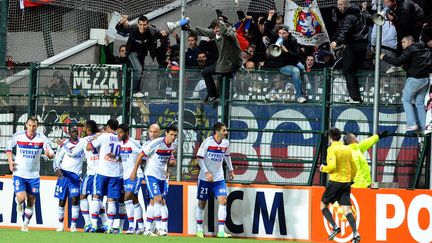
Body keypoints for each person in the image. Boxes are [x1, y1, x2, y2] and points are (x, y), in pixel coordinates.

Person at [6, 117, 55, 232]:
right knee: (21, 198)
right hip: (19, 173)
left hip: (33, 175)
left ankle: (25, 224)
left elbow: (49, 150)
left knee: (31, 201)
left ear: (37, 126)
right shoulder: (18, 136)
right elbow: (8, 147)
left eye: (34, 126)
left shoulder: (42, 138)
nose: (32, 128)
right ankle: (19, 203)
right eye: (30, 125)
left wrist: (49, 154)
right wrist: (10, 161)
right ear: (26, 125)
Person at [130, 124, 178, 236]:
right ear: (166, 133)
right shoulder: (155, 143)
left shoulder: (173, 146)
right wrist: (134, 171)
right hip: (151, 175)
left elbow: (167, 158)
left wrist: (166, 170)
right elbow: (140, 156)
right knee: (157, 198)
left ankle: (148, 229)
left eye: (175, 135)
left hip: (162, 176)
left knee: (156, 200)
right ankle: (160, 228)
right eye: (171, 134)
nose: (173, 137)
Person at [381, 35, 432, 132]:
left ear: (410, 42)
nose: (402, 44)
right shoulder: (426, 50)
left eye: (403, 42)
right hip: (425, 80)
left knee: (406, 100)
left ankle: (412, 124)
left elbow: (397, 61)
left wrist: (384, 57)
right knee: (419, 103)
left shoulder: (410, 49)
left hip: (414, 79)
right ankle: (424, 126)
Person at [64, 120, 108, 232]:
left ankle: (89, 224)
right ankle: (105, 223)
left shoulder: (84, 141)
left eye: (84, 127)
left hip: (91, 173)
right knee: (96, 197)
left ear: (88, 129)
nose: (82, 129)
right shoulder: (102, 137)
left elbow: (72, 153)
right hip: (103, 172)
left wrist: (62, 145)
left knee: (83, 196)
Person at [320, 127, 359, 243]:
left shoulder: (332, 149)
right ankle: (355, 233)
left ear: (330, 137)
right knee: (347, 210)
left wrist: (323, 168)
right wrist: (351, 178)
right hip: (346, 183)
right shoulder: (346, 149)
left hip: (335, 181)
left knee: (323, 205)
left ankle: (335, 226)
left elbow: (332, 166)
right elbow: (355, 167)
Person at [188, 18, 243, 102]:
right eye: (215, 28)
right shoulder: (214, 34)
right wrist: (189, 29)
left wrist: (222, 25)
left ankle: (223, 97)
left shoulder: (230, 33)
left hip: (232, 63)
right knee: (206, 72)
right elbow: (202, 31)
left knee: (223, 79)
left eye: (218, 27)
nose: (216, 29)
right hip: (223, 63)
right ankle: (213, 95)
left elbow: (227, 33)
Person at [195, 122, 234, 238]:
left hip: (219, 178)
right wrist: (206, 172)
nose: (226, 132)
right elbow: (199, 158)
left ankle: (221, 231)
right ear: (217, 132)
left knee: (224, 201)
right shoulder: (208, 142)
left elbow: (227, 156)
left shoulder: (226, 143)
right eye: (224, 130)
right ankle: (199, 230)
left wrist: (231, 170)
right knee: (202, 203)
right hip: (204, 178)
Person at [115, 15, 168, 98]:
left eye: (144, 25)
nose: (142, 27)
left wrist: (165, 34)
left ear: (147, 24)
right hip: (132, 52)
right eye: (141, 25)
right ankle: (135, 91)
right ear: (138, 24)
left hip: (142, 53)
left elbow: (162, 34)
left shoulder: (152, 31)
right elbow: (118, 29)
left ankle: (138, 90)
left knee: (140, 71)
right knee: (139, 69)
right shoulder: (133, 28)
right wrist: (121, 22)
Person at [330, 0, 371, 104]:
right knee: (357, 69)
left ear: (347, 4)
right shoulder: (361, 14)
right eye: (338, 4)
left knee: (347, 70)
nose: (339, 7)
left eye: (341, 4)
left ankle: (355, 97)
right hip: (363, 45)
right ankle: (360, 95)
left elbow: (345, 31)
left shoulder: (350, 16)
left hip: (353, 45)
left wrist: (337, 42)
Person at [86, 118, 122, 233]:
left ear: (107, 127)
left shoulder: (104, 136)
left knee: (96, 197)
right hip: (115, 173)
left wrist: (96, 137)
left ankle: (94, 225)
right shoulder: (120, 138)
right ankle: (110, 227)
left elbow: (88, 147)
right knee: (111, 200)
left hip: (102, 172)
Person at [53, 124, 84, 232]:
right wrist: (56, 168)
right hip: (64, 175)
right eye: (73, 131)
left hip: (75, 177)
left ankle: (73, 225)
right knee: (62, 201)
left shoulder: (83, 143)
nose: (75, 132)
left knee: (75, 199)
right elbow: (57, 159)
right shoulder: (65, 143)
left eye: (76, 130)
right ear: (69, 133)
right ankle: (60, 225)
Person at [264, 25, 307, 103]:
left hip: (293, 61)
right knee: (295, 71)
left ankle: (307, 90)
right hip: (281, 65)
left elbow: (297, 55)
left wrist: (287, 51)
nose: (281, 35)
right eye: (280, 33)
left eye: (284, 33)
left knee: (302, 68)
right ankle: (299, 96)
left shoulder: (293, 40)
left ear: (288, 33)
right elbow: (266, 31)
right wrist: (270, 16)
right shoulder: (275, 39)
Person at [116, 124, 145, 234]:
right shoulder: (120, 143)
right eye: (118, 132)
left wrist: (134, 171)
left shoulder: (133, 143)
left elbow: (143, 155)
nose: (119, 135)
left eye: (121, 133)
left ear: (127, 133)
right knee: (134, 200)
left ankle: (132, 226)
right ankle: (141, 226)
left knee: (127, 198)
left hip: (135, 174)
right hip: (126, 175)